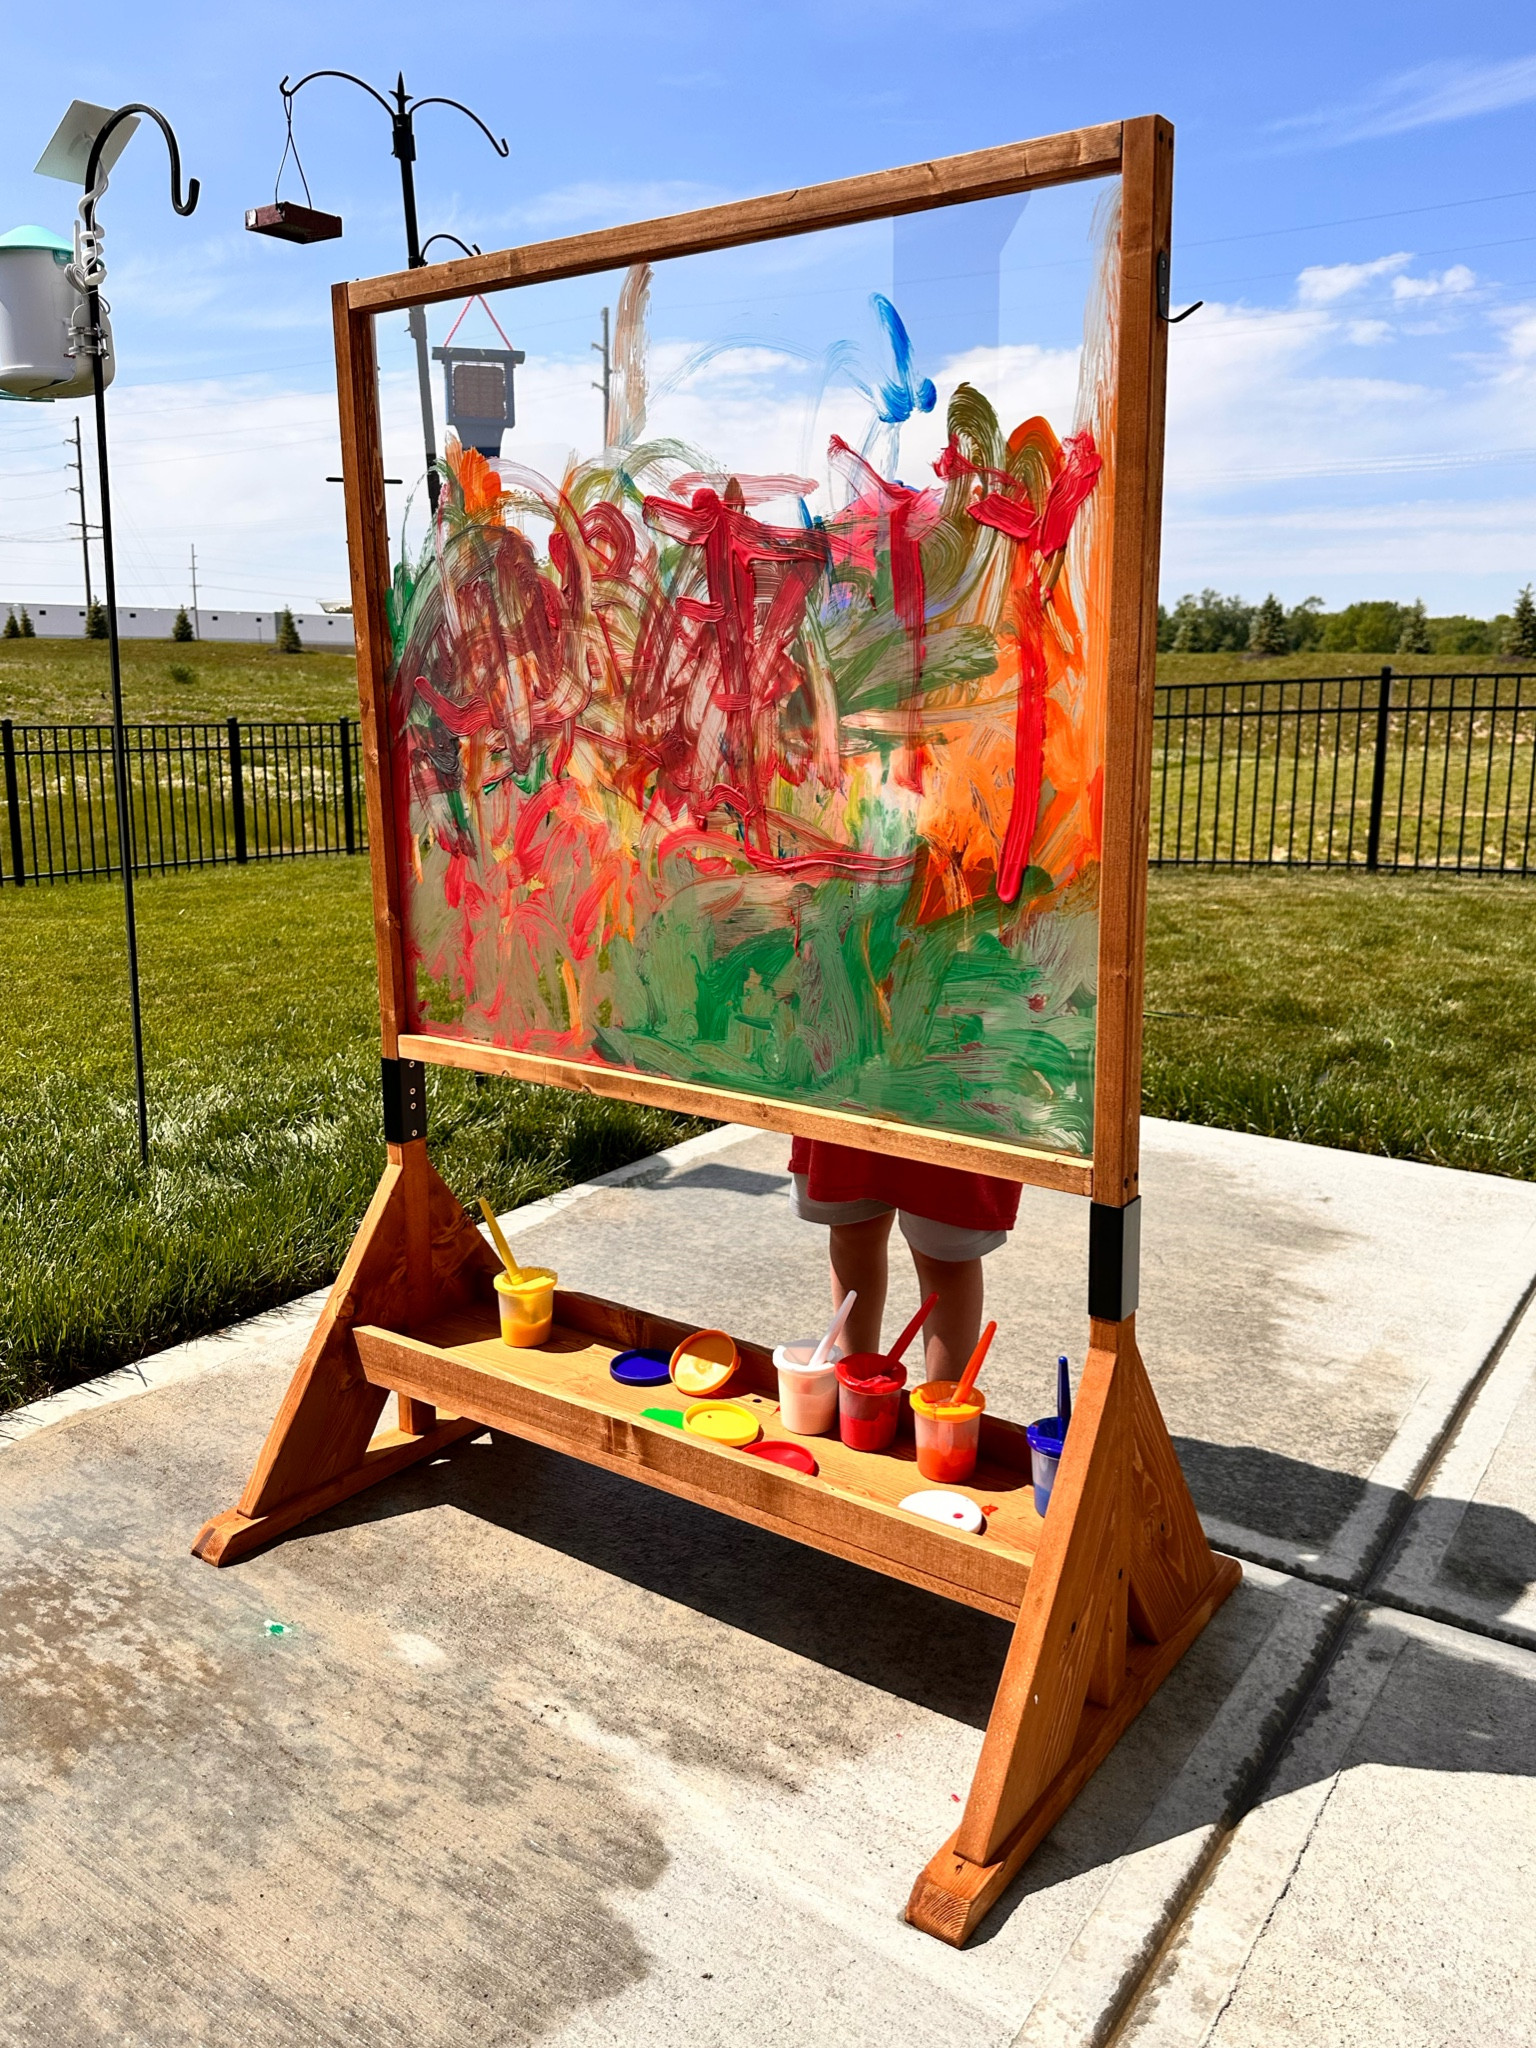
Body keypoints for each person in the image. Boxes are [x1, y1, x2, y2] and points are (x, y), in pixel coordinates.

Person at [788, 1136, 1019, 1379]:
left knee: (946, 1251)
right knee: (851, 1223)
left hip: (951, 1119)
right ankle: (855, 1385)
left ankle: (943, 1400)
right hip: (854, 1115)